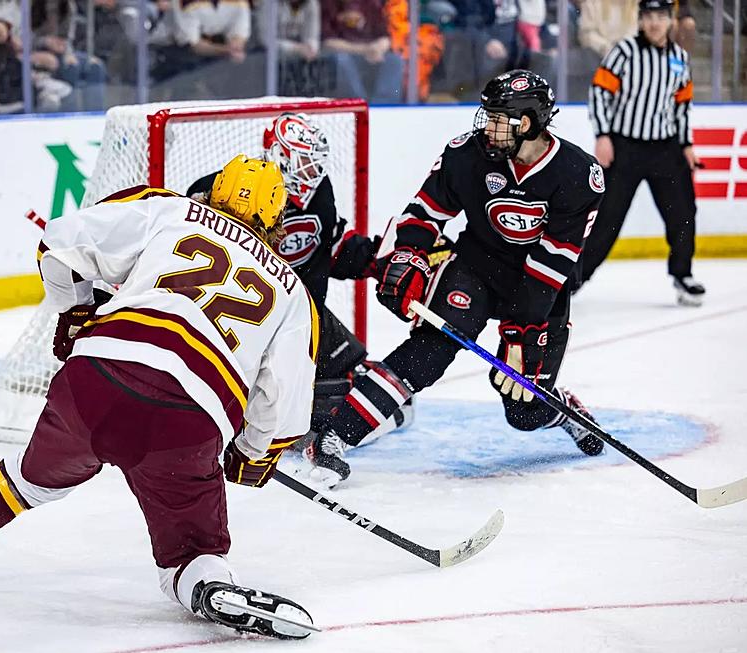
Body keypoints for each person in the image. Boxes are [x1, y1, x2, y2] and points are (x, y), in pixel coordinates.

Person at [0, 155, 320, 640]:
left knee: (27, 481)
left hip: (97, 379)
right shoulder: (294, 293)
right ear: (276, 218)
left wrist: (77, 312)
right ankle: (209, 586)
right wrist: (249, 459)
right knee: (190, 551)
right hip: (187, 421)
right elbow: (284, 407)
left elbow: (60, 245)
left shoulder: (168, 211)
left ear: (215, 189)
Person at [305, 70, 607, 489]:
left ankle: (558, 409)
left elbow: (554, 262)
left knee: (521, 409)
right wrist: (408, 257)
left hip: (539, 289)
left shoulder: (578, 173)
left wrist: (521, 330)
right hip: (475, 269)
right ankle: (336, 436)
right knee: (428, 352)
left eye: (498, 117)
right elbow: (422, 213)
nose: (487, 125)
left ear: (526, 124)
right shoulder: (468, 154)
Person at [186, 113, 408, 449]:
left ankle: (301, 417)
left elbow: (326, 242)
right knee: (268, 385)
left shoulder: (319, 191)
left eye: (313, 163)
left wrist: (372, 259)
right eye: (302, 161)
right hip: (244, 318)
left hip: (302, 315)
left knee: (352, 373)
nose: (311, 172)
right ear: (277, 154)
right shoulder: (230, 191)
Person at [581, 0, 704, 306]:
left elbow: (681, 106)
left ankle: (683, 274)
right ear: (640, 20)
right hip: (625, 148)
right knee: (606, 219)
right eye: (648, 17)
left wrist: (686, 145)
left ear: (670, 20)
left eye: (660, 17)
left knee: (683, 214)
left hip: (666, 149)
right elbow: (599, 92)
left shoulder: (679, 58)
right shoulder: (624, 52)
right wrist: (603, 136)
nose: (654, 23)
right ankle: (572, 281)